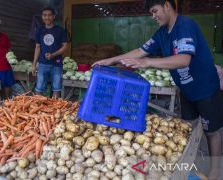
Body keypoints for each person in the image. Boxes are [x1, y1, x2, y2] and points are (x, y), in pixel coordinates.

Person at [94, 0, 223, 179]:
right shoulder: (162, 33)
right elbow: (140, 51)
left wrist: (147, 62)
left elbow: (184, 59)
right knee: (189, 127)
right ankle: (194, 160)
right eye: (151, 13)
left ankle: (216, 168)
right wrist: (111, 60)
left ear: (166, 5)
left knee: (212, 130)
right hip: (186, 89)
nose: (153, 16)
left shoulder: (185, 25)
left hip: (205, 87)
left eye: (155, 11)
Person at [32, 7, 68, 99]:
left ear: (53, 16)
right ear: (42, 17)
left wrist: (53, 55)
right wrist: (34, 64)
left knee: (56, 89)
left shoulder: (60, 30)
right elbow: (37, 47)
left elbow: (65, 46)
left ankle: (54, 110)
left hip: (56, 64)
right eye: (44, 15)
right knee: (39, 88)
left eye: (49, 15)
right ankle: (37, 109)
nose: (47, 17)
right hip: (42, 64)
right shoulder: (39, 30)